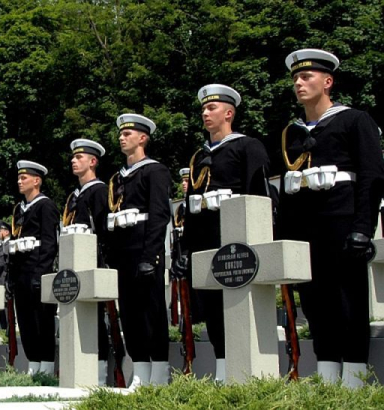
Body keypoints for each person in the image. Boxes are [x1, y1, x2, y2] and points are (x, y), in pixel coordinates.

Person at [275, 49, 384, 387]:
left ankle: (353, 380)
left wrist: (363, 229)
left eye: (306, 77)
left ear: (327, 81)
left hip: (343, 223)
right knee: (316, 304)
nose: (298, 82)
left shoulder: (354, 120)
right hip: (307, 231)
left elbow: (371, 177)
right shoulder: (291, 134)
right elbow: (289, 191)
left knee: (348, 302)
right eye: (295, 77)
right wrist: (286, 239)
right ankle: (326, 377)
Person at [175, 85, 271, 382]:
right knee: (213, 311)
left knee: (239, 309)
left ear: (229, 113)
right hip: (205, 242)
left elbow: (261, 195)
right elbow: (193, 207)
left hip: (237, 240)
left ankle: (247, 373)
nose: (205, 113)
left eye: (212, 108)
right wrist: (185, 249)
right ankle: (221, 369)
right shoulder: (198, 157)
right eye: (203, 109)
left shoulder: (247, 146)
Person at [106, 114, 171, 387]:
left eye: (128, 134)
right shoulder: (116, 178)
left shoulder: (154, 171)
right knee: (130, 316)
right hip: (123, 252)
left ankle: (160, 373)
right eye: (121, 134)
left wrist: (151, 256)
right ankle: (141, 374)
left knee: (151, 313)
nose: (122, 138)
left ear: (143, 138)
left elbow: (159, 215)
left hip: (144, 250)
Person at [63, 138, 111, 384]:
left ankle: (101, 373)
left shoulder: (99, 191)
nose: (73, 161)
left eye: (79, 158)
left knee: (97, 319)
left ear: (93, 162)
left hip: (94, 261)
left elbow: (102, 231)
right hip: (74, 263)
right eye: (73, 157)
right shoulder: (73, 196)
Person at [7, 160, 60, 376]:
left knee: (42, 319)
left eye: (24, 178)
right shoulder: (19, 208)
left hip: (38, 269)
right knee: (26, 320)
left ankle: (46, 366)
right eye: (19, 178)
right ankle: (33, 363)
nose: (20, 181)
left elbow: (49, 242)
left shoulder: (45, 205)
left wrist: (41, 272)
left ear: (36, 181)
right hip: (21, 271)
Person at [0, 220, 11, 330]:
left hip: (5, 279)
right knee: (0, 305)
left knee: (5, 306)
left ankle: (7, 330)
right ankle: (4, 329)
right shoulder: (0, 245)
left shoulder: (8, 245)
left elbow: (2, 262)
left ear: (6, 232)